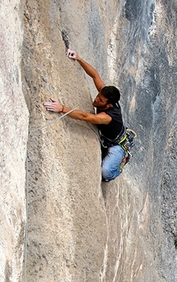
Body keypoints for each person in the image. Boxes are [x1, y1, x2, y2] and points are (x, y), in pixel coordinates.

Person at [43, 49, 127, 182]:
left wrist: (62, 108)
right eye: (98, 95)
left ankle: (121, 163)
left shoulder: (107, 117)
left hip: (116, 145)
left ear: (109, 105)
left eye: (100, 100)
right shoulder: (105, 96)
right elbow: (95, 75)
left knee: (105, 172)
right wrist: (78, 58)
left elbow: (84, 117)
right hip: (112, 134)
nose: (96, 99)